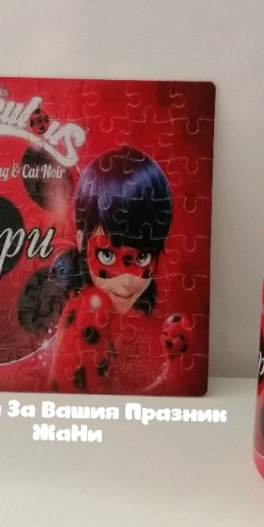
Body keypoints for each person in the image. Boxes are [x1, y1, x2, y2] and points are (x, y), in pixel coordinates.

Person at [48, 146, 186, 393]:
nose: (126, 281)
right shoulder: (94, 304)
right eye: (107, 255)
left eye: (142, 257)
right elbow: (94, 393)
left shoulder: (118, 314)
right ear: (81, 241)